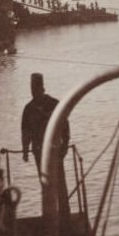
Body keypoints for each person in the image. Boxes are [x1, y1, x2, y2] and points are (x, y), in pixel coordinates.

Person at [21, 73, 70, 216]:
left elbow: (65, 126)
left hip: (55, 150)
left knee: (59, 183)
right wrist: (25, 151)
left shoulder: (53, 104)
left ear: (41, 87)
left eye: (35, 88)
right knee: (47, 183)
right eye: (32, 88)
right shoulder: (29, 108)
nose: (33, 91)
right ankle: (50, 215)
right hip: (40, 151)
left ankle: (63, 215)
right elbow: (26, 132)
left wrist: (65, 146)